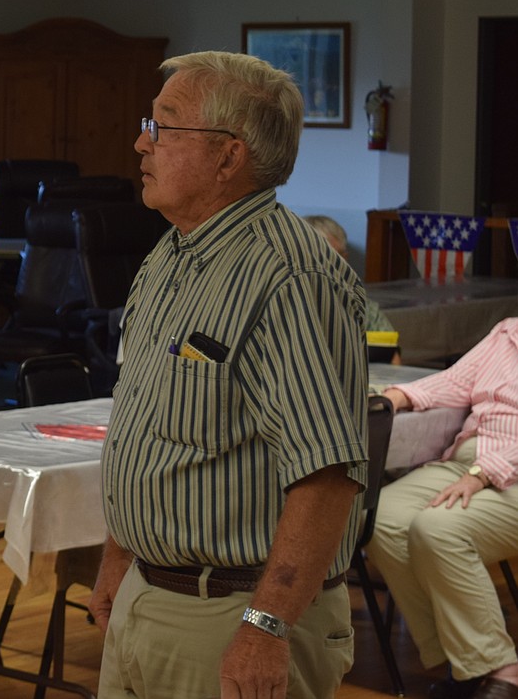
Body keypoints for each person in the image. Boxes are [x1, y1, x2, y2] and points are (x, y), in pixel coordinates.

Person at [90, 51, 368, 699]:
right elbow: (143, 428)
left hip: (234, 618)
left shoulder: (289, 278)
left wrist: (265, 626)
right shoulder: (169, 256)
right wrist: (117, 558)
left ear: (228, 156)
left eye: (164, 125)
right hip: (146, 598)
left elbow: (326, 475)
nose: (140, 142)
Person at [367, 317, 518, 699]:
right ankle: (464, 659)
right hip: (467, 459)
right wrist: (399, 396)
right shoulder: (508, 332)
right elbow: (455, 381)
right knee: (382, 519)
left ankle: (502, 668)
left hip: (506, 470)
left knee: (438, 528)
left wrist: (484, 473)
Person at [302, 213, 399, 339]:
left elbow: (391, 353)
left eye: (339, 257)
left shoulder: (362, 307)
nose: (334, 266)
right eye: (324, 258)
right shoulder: (282, 304)